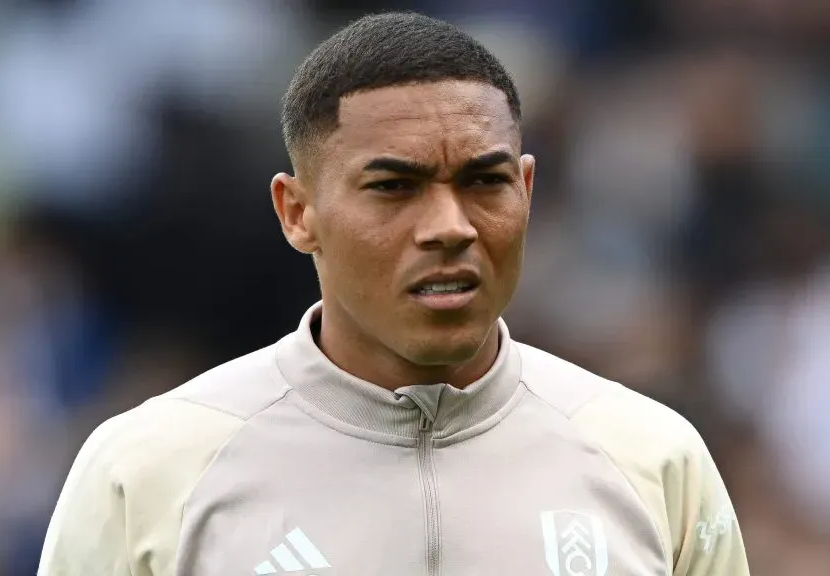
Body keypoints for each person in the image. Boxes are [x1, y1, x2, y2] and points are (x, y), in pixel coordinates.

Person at [38, 12, 750, 576]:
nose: (449, 227)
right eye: (393, 187)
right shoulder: (146, 472)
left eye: (484, 181)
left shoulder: (654, 461)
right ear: (298, 212)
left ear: (527, 191)